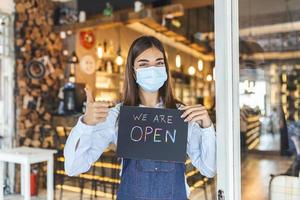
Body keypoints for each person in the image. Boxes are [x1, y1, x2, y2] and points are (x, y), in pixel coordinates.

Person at [63, 36, 216, 200]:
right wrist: (86, 124)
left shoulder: (182, 116)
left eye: (159, 63)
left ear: (165, 69)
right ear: (133, 72)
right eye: (144, 64)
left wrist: (207, 127)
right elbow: (73, 167)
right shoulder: (118, 115)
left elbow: (210, 169)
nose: (153, 69)